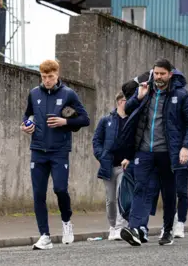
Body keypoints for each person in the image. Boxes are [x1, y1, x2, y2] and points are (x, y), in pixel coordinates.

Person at [119, 58, 188, 246]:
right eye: (156, 73)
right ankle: (135, 228)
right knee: (140, 188)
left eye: (162, 74)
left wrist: (186, 146)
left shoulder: (181, 95)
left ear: (170, 74)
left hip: (168, 152)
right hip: (144, 151)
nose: (159, 77)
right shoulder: (147, 91)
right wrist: (138, 96)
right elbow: (127, 110)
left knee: (169, 192)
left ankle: (168, 229)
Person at [20, 59, 91, 250]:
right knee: (38, 194)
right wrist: (25, 125)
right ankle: (45, 236)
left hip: (59, 151)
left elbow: (85, 119)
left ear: (57, 74)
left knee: (60, 189)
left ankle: (67, 221)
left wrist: (64, 122)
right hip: (38, 151)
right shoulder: (34, 94)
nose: (47, 80)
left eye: (50, 77)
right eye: (44, 77)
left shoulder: (68, 94)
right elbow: (27, 115)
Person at [92, 91, 132, 240]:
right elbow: (96, 140)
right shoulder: (106, 120)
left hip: (125, 167)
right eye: (127, 100)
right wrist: (101, 156)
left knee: (121, 196)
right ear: (120, 102)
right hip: (108, 165)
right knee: (110, 199)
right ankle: (112, 226)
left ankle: (121, 227)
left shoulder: (132, 120)